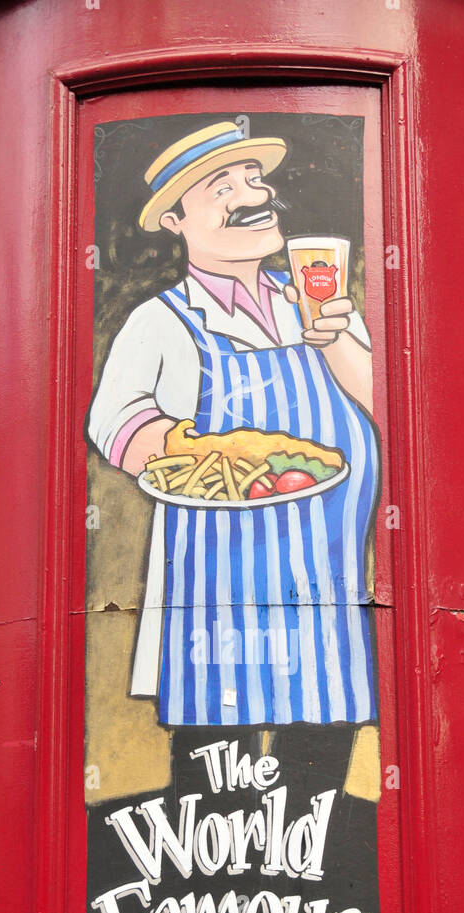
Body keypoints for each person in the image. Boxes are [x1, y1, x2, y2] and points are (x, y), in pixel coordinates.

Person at [87, 120, 380, 744]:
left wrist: (335, 342)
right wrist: (190, 450)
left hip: (329, 578)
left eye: (255, 180)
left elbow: (387, 404)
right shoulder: (159, 321)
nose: (253, 197)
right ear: (174, 220)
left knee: (327, 730)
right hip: (216, 587)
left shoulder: (315, 301)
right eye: (222, 186)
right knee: (217, 748)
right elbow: (112, 419)